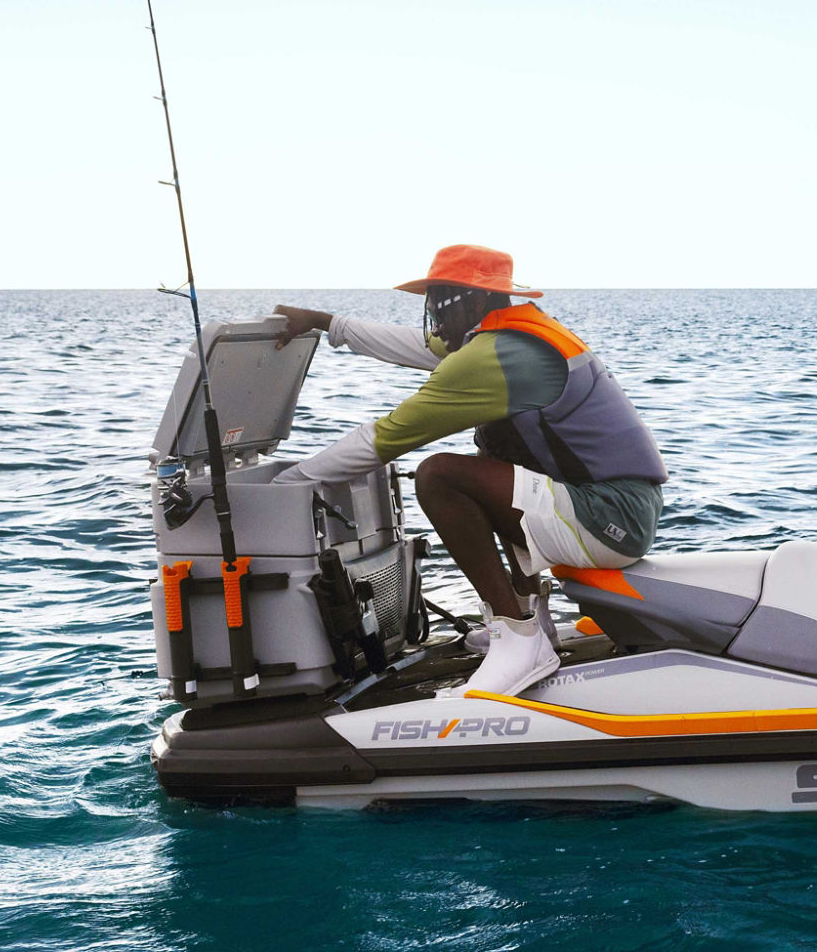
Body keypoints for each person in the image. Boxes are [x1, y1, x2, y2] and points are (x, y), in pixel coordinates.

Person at [271, 244, 667, 697]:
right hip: (622, 508)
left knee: (439, 476)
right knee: (496, 467)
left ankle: (520, 641)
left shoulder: (495, 356)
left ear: (477, 301)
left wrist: (285, 485)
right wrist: (326, 322)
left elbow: (384, 438)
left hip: (610, 518)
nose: (433, 312)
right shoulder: (516, 334)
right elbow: (415, 345)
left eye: (441, 298)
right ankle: (532, 621)